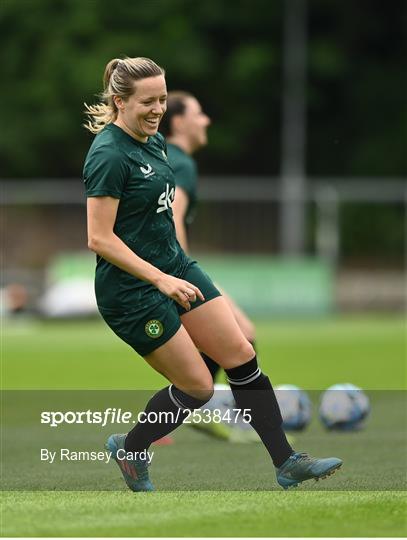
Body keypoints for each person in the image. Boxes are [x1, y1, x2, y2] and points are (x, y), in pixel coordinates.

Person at [83, 56, 342, 492]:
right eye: (148, 101)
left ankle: (287, 462)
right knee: (198, 388)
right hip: (131, 292)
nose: (157, 109)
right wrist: (159, 280)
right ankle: (132, 448)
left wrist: (175, 270)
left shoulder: (154, 142)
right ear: (119, 101)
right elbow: (99, 238)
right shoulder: (109, 154)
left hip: (177, 268)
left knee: (241, 353)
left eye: (163, 99)